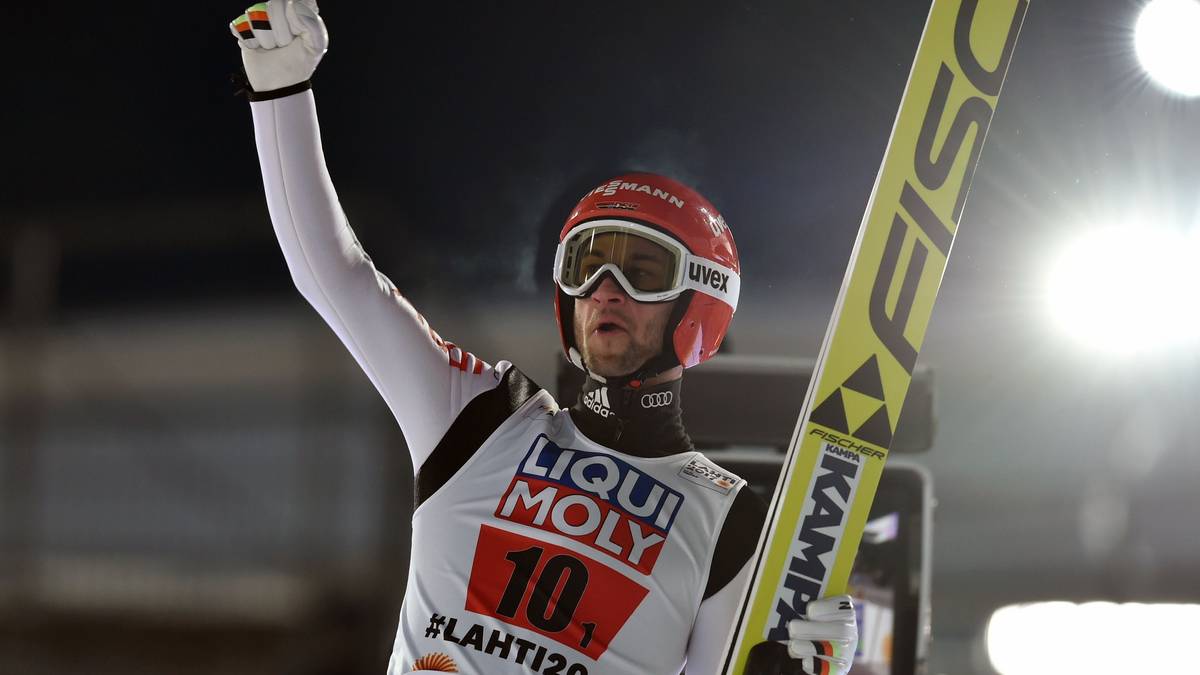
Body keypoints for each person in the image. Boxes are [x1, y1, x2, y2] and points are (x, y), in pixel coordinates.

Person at [230, 2, 858, 673]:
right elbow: (335, 275)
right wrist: (281, 93)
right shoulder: (481, 417)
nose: (607, 289)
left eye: (643, 272)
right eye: (588, 264)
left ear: (698, 303)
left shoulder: (731, 524)